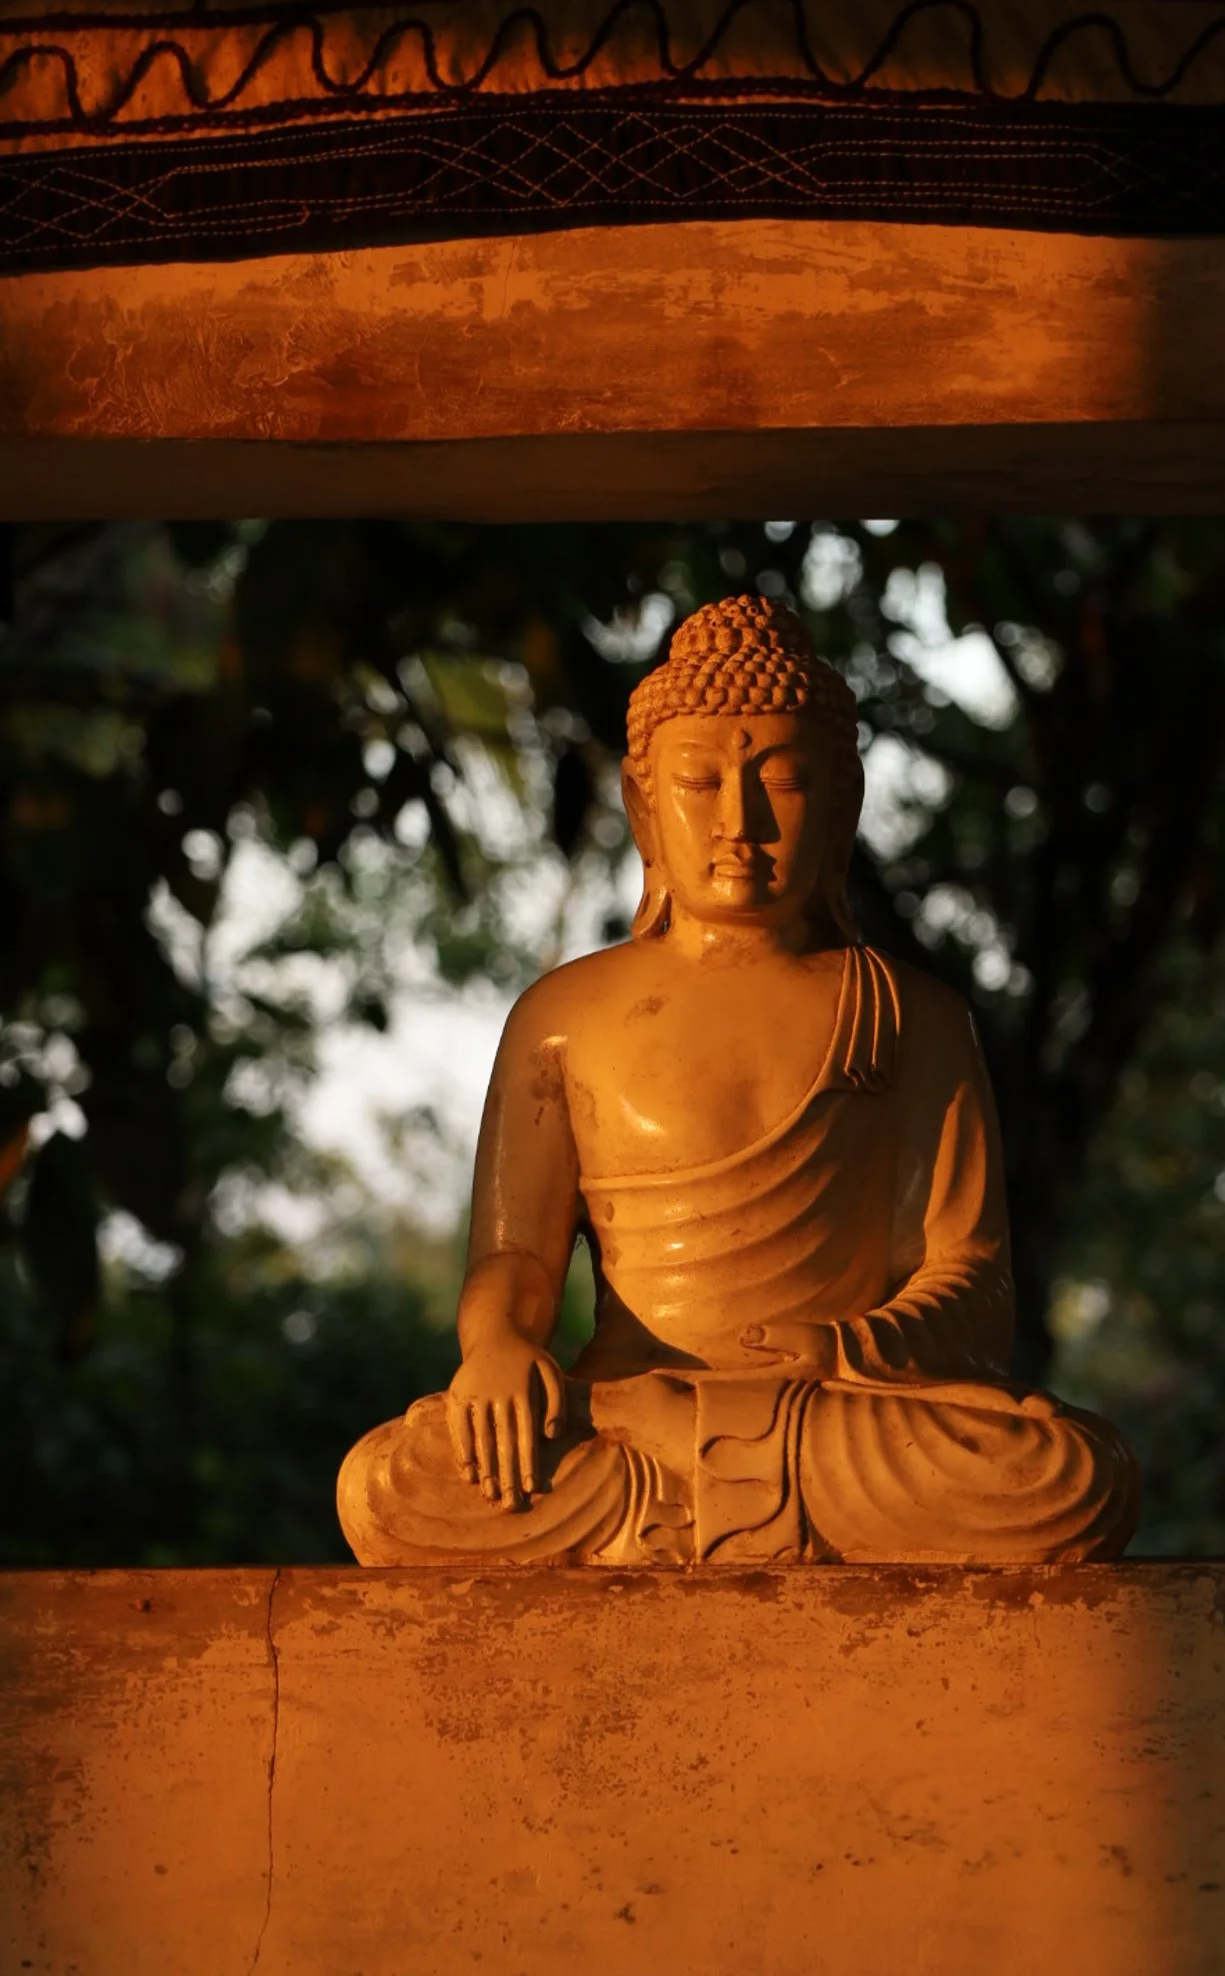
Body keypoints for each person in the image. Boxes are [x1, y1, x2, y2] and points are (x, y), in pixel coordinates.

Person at [338, 595, 1138, 1565]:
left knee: (1066, 1474)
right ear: (643, 802)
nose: (740, 821)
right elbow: (516, 1259)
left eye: (785, 782)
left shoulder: (909, 1015)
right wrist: (500, 1349)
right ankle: (719, 1496)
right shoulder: (562, 1019)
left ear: (842, 801)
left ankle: (690, 1504)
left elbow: (972, 1282)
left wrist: (841, 1352)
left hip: (830, 1416)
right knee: (389, 1485)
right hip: (629, 1411)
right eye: (700, 782)